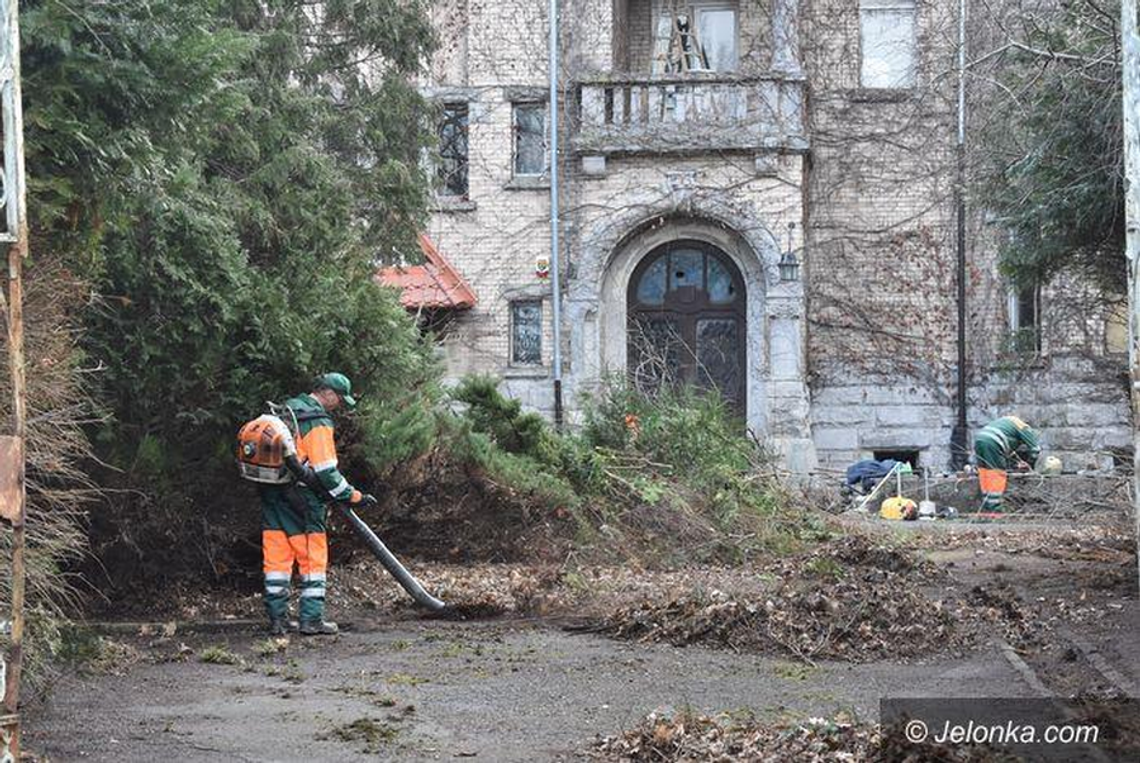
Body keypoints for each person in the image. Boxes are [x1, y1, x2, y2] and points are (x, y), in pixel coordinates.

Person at [260, 373, 375, 636]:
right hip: (303, 499)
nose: (339, 405)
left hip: (273, 492)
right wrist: (353, 496)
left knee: (277, 558)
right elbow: (325, 471)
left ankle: (277, 620)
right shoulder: (316, 421)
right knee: (312, 557)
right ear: (328, 394)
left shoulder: (285, 411)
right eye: (339, 399)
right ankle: (311, 619)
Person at [973, 415, 1041, 514]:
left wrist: (1015, 463)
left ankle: (986, 508)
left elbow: (1007, 452)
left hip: (980, 438)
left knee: (984, 472)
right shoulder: (1026, 429)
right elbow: (1035, 450)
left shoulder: (1010, 423)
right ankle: (996, 510)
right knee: (996, 473)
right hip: (993, 441)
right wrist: (1030, 465)